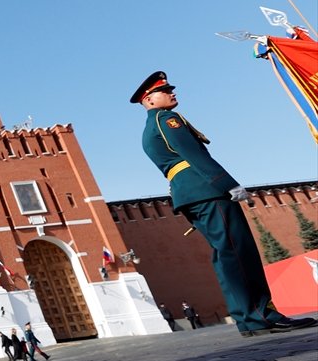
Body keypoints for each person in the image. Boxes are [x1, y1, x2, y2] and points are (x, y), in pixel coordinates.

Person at [132, 72, 317, 338]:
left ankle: (249, 318)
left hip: (191, 194)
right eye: (166, 90)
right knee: (237, 251)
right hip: (206, 190)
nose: (173, 93)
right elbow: (192, 153)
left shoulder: (149, 128)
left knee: (226, 253)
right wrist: (227, 183)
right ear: (149, 99)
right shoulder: (166, 119)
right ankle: (261, 315)